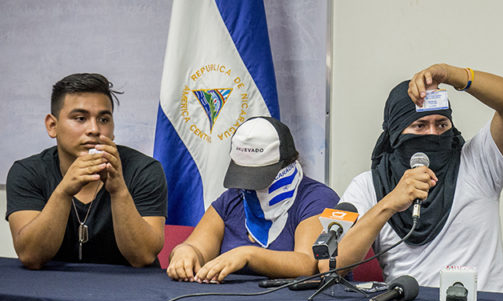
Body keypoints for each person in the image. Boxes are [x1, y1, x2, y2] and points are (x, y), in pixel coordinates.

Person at [336, 63, 503, 291]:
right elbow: (334, 264)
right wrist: (389, 203)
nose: (433, 134)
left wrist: (452, 75)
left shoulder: (479, 163)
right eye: (420, 125)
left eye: (441, 124)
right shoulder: (368, 186)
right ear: (396, 134)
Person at [5, 73, 167, 269]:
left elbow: (143, 257)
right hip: (53, 291)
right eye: (80, 118)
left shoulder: (144, 170)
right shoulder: (27, 172)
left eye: (104, 119)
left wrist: (118, 191)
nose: (94, 129)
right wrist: (64, 192)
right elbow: (31, 256)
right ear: (52, 125)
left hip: (129, 292)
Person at [166, 116, 339, 283]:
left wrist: (247, 255)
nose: (250, 187)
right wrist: (184, 253)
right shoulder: (233, 198)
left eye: (258, 176)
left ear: (286, 165)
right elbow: (197, 248)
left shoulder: (317, 199)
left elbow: (307, 264)